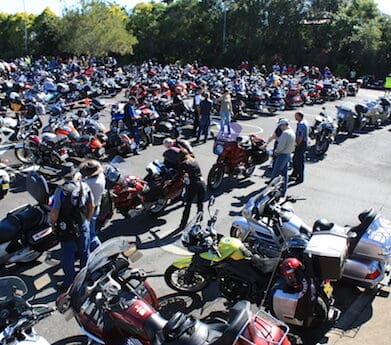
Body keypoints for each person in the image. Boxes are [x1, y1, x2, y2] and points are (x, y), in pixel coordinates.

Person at [50, 175, 94, 290]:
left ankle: (69, 283)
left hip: (67, 227)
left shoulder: (61, 190)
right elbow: (91, 205)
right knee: (84, 252)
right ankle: (85, 277)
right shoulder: (84, 186)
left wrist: (53, 225)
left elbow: (55, 211)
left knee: (67, 255)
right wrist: (87, 220)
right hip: (82, 223)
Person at [79, 159, 105, 251]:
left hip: (89, 209)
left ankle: (99, 250)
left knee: (90, 232)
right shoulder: (101, 177)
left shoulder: (89, 183)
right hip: (96, 205)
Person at [178, 155, 206, 231]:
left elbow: (179, 174)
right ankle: (199, 222)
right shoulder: (194, 160)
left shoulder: (184, 163)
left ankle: (183, 224)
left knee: (188, 205)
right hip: (202, 183)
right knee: (200, 204)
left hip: (193, 184)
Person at [269, 118, 296, 197]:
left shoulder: (285, 133)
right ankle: (283, 190)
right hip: (288, 154)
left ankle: (272, 191)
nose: (280, 127)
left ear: (284, 125)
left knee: (275, 173)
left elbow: (281, 146)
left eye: (281, 125)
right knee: (284, 173)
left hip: (282, 154)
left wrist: (276, 151)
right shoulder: (292, 132)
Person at [290, 112, 308, 184]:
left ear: (299, 116)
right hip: (303, 143)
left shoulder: (301, 125)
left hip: (301, 144)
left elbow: (300, 136)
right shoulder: (304, 122)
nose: (295, 117)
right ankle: (294, 174)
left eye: (296, 116)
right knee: (295, 159)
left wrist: (297, 144)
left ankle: (300, 178)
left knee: (299, 161)